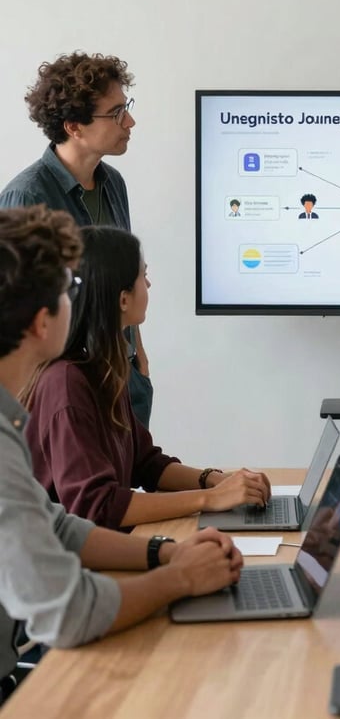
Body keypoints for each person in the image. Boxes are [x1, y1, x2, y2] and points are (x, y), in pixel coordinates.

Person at [0, 205, 243, 704]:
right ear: (44, 322)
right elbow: (70, 609)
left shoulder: (73, 383)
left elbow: (60, 524)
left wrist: (169, 552)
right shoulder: (60, 388)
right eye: (68, 291)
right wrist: (178, 577)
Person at [24, 224, 271, 529]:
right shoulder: (66, 384)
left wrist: (219, 481)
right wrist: (210, 499)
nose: (150, 284)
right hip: (77, 566)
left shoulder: (101, 369)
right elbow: (97, 507)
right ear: (123, 299)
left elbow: (146, 463)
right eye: (143, 275)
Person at [0, 52, 154, 428]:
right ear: (74, 126)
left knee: (132, 478)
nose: (129, 121)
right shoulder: (26, 196)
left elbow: (121, 280)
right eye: (116, 112)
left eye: (127, 107)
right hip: (65, 395)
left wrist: (140, 360)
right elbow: (14, 321)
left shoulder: (113, 183)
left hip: (123, 376)